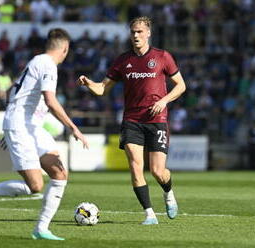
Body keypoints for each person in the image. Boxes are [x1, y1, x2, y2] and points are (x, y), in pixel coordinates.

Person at [0, 28, 89, 240]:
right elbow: (51, 102)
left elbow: (18, 93)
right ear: (65, 49)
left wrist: (12, 125)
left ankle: (41, 229)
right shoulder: (47, 65)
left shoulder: (37, 61)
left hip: (30, 127)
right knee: (35, 186)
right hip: (21, 126)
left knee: (59, 173)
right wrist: (74, 127)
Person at [78, 16, 186, 225]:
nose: (136, 35)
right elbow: (102, 89)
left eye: (139, 32)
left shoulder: (162, 57)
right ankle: (149, 214)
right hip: (132, 120)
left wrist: (164, 101)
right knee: (136, 168)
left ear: (148, 33)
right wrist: (89, 83)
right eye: (132, 32)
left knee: (157, 171)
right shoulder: (122, 61)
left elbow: (181, 85)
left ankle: (168, 192)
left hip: (157, 120)